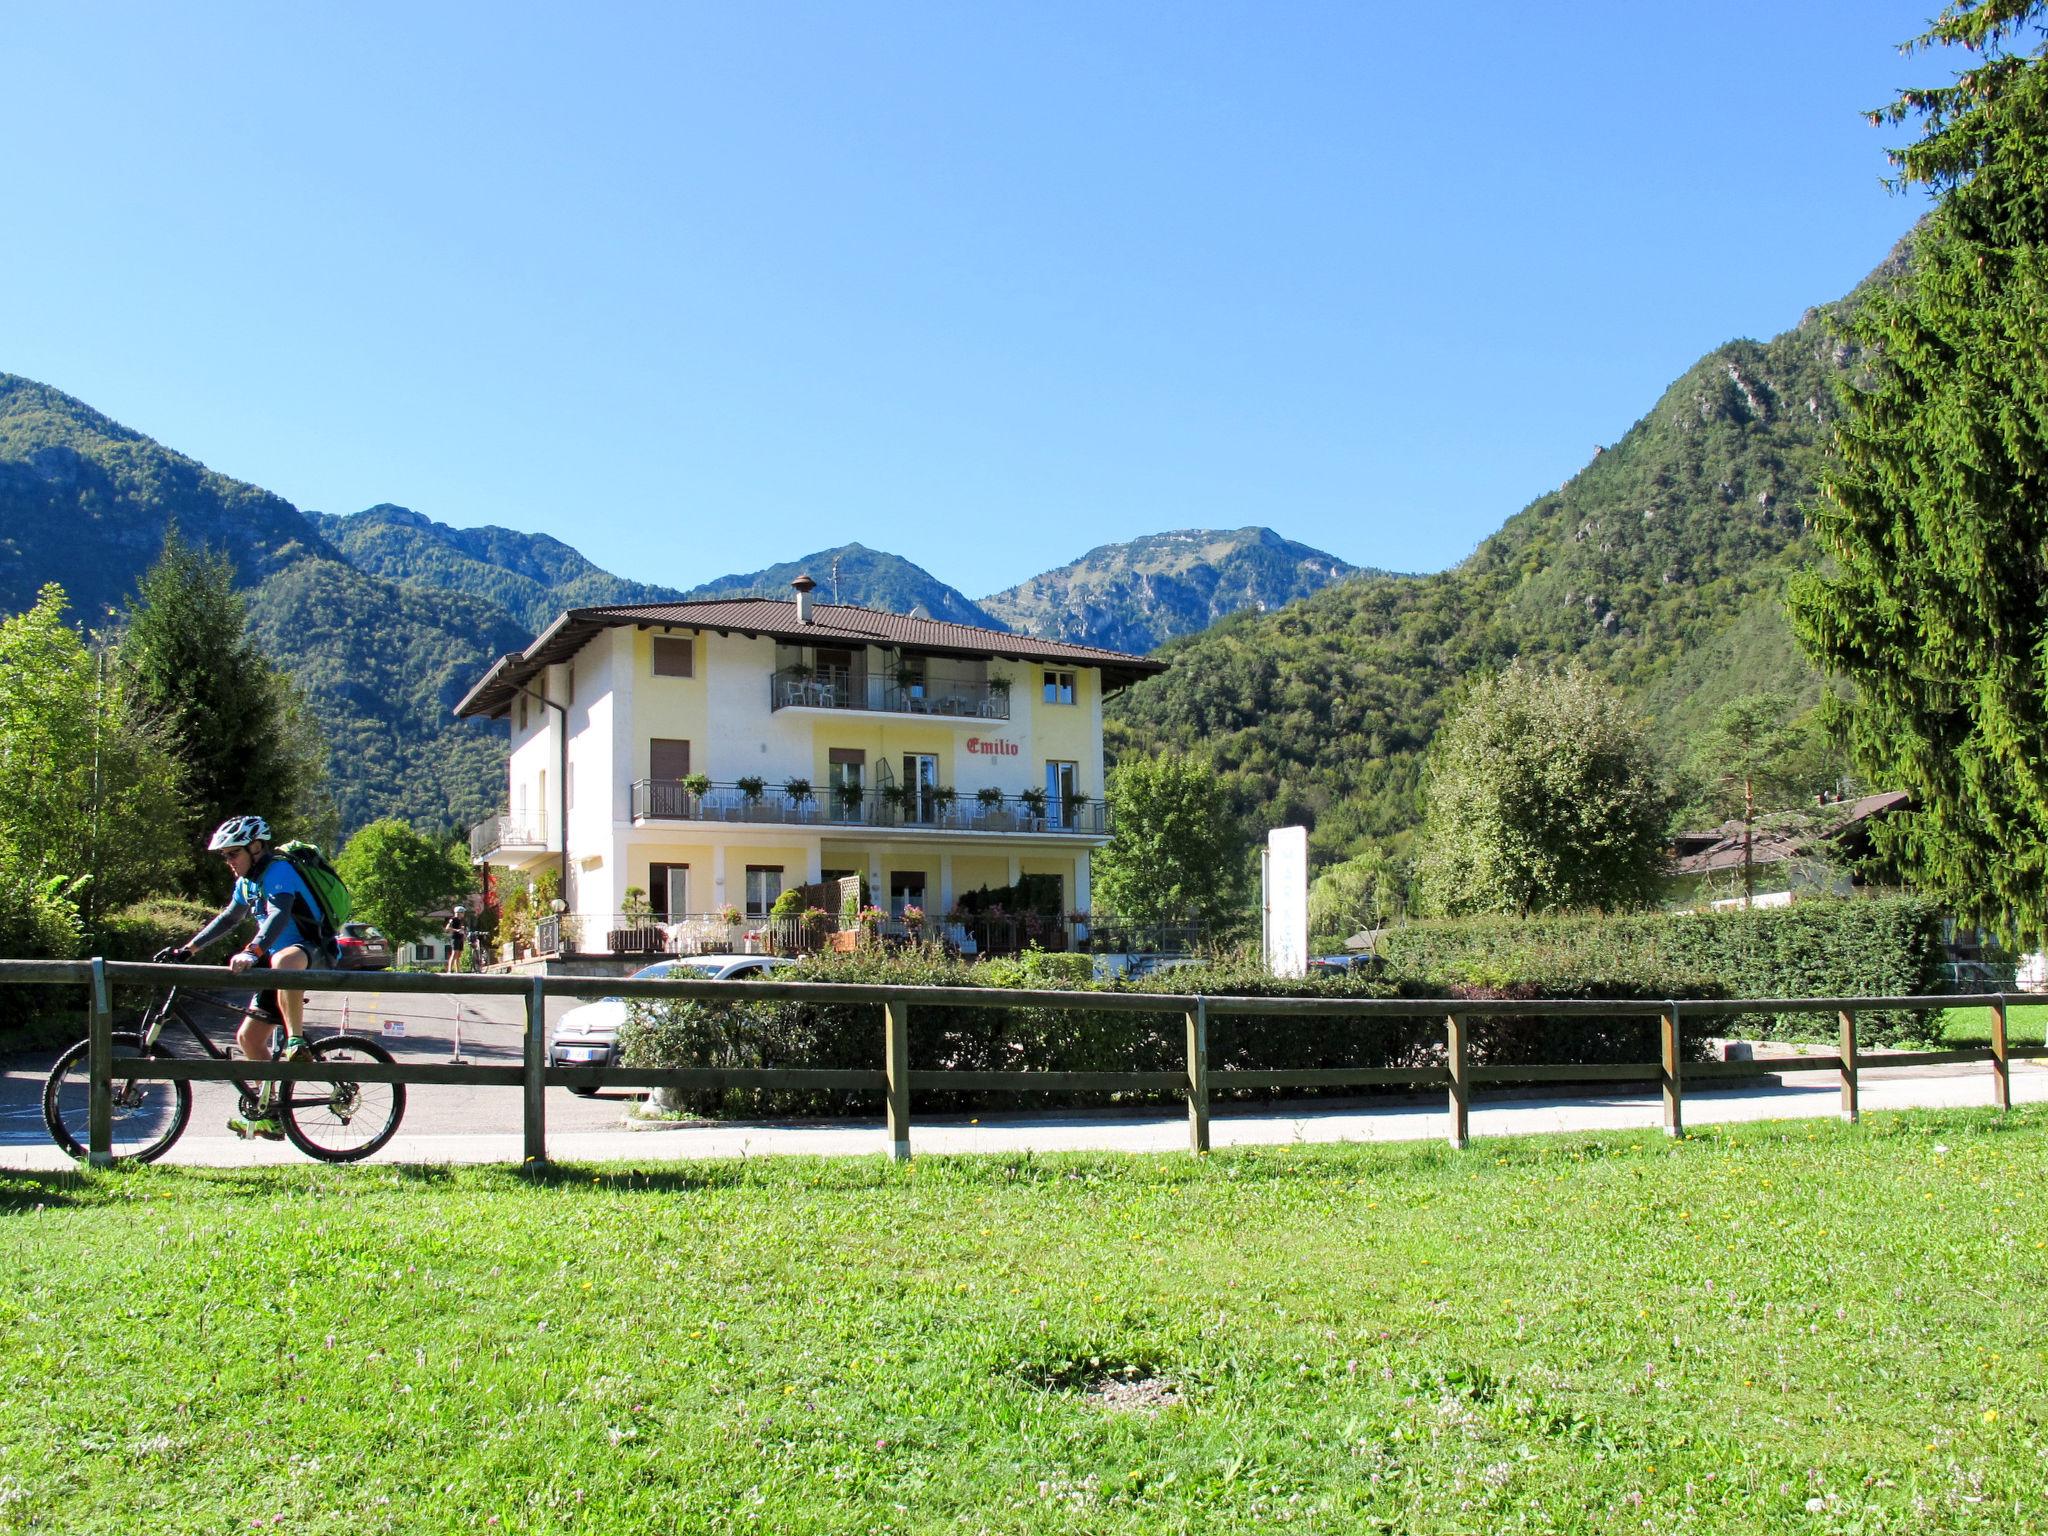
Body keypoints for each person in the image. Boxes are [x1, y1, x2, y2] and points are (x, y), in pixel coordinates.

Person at [155, 815, 334, 1140]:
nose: (228, 862)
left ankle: (295, 1040)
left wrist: (252, 951)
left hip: (311, 950)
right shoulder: (247, 883)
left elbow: (280, 913)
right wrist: (188, 950)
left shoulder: (279, 870)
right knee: (249, 1039)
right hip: (278, 965)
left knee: (283, 959)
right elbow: (229, 917)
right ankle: (271, 1115)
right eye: (224, 856)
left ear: (255, 848)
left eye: (232, 854)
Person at [443, 905, 468, 975]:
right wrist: (456, 930)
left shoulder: (461, 921)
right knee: (454, 954)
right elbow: (447, 928)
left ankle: (458, 970)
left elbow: (461, 930)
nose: (463, 914)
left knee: (458, 955)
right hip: (455, 938)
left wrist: (464, 935)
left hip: (460, 938)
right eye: (463, 912)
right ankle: (449, 970)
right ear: (459, 913)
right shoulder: (453, 919)